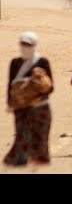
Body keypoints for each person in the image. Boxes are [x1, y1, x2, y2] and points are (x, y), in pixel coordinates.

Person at [4, 32, 54, 166]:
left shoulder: (43, 62)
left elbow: (50, 87)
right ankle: (20, 162)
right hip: (20, 107)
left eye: (28, 44)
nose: (25, 47)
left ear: (34, 45)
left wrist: (38, 97)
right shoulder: (15, 63)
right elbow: (10, 84)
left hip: (40, 106)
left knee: (41, 137)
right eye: (23, 44)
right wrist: (9, 102)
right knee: (21, 135)